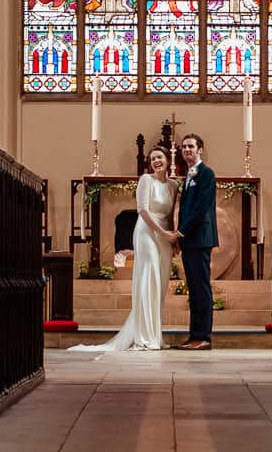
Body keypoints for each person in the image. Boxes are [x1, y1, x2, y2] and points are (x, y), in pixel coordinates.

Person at [69, 147, 180, 353]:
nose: (156, 161)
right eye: (153, 158)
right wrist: (163, 234)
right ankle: (144, 338)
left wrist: (172, 240)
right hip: (147, 232)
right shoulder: (146, 180)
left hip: (165, 235)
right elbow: (143, 211)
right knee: (148, 280)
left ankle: (155, 334)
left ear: (168, 160)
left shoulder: (173, 185)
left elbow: (171, 214)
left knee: (160, 285)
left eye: (160, 157)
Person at [173, 133, 218, 350]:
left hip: (200, 238)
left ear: (200, 149)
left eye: (191, 146)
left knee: (201, 288)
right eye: (184, 147)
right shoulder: (190, 174)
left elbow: (201, 208)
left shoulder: (206, 173)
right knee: (193, 288)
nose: (187, 150)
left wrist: (180, 232)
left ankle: (204, 337)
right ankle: (194, 335)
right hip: (190, 240)